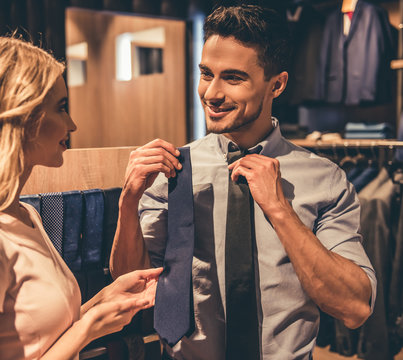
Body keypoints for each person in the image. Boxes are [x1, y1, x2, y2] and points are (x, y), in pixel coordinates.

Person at [110, 5, 377, 360]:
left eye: (233, 78)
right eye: (206, 74)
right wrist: (128, 201)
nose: (211, 94)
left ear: (277, 84)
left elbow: (355, 308)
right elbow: (130, 286)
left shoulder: (324, 180)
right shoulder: (174, 171)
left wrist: (280, 211)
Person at [0, 36, 163, 360]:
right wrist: (89, 326)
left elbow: (42, 337)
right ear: (22, 115)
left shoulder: (26, 214)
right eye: (61, 108)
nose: (72, 124)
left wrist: (105, 301)